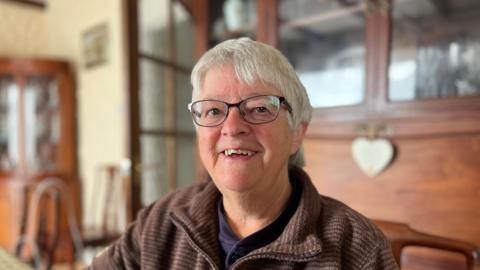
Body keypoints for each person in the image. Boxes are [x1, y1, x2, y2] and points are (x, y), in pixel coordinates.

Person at [89, 38, 398, 269]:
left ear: (297, 133)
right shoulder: (159, 222)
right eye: (213, 110)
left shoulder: (356, 246)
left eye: (260, 108)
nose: (232, 126)